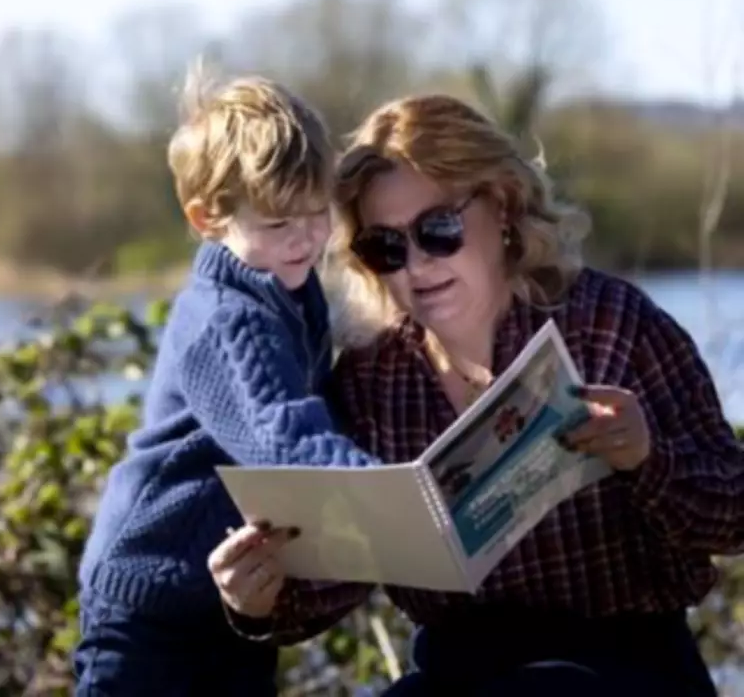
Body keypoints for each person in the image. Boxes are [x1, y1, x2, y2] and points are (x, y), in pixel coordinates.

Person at [209, 93, 744, 695]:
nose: (414, 264)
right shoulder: (372, 377)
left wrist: (647, 460)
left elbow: (734, 517)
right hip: (456, 671)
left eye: (437, 231)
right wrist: (257, 597)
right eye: (385, 247)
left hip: (625, 666)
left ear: (504, 206)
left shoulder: (612, 325)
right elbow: (344, 572)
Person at [74, 69, 381, 696]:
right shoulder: (226, 316)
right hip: (148, 606)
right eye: (276, 224)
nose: (305, 238)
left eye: (316, 213)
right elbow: (283, 437)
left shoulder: (290, 290)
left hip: (230, 600)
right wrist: (393, 497)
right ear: (207, 218)